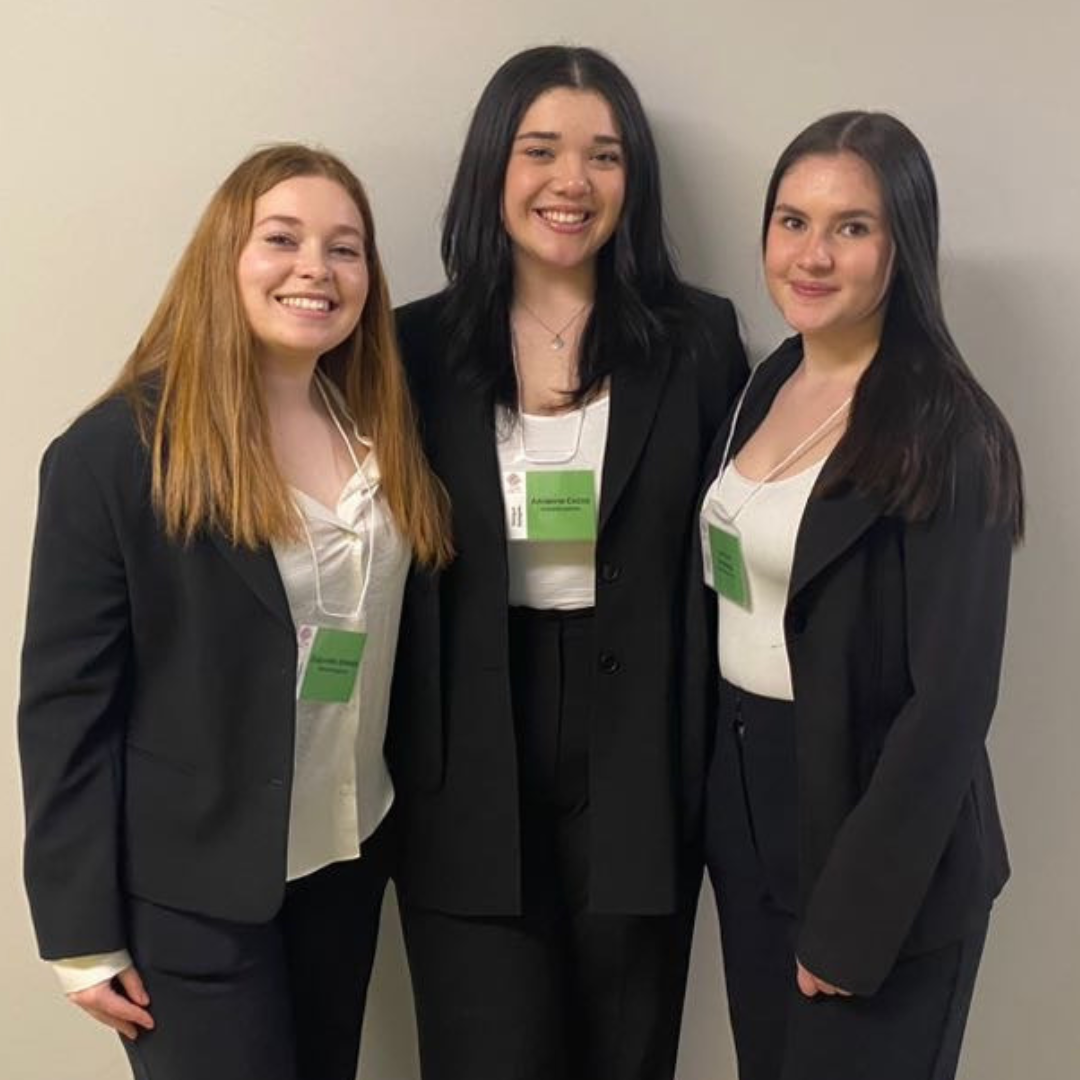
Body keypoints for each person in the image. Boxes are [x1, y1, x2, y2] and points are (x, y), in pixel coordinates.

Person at [18, 144, 451, 1080]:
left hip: (347, 854)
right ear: (224, 258)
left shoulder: (376, 423)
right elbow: (64, 708)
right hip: (194, 887)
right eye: (283, 239)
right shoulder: (116, 455)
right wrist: (79, 934)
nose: (316, 269)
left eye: (346, 248)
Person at [388, 44, 747, 1080]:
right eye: (540, 149)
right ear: (492, 166)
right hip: (466, 747)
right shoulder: (412, 347)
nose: (571, 183)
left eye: (605, 155)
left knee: (627, 1054)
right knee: (481, 1052)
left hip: (639, 752)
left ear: (634, 180)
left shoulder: (699, 338)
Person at [698, 111, 1024, 1080]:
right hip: (756, 828)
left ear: (904, 245)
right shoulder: (768, 384)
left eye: (852, 227)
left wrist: (851, 923)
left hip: (880, 854)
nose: (813, 253)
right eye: (792, 221)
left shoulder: (948, 429)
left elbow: (953, 702)